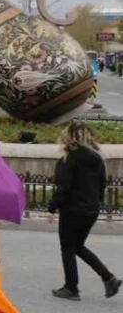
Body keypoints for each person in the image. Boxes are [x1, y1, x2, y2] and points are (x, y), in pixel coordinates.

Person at [48, 121, 120, 300]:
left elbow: (63, 187)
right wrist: (96, 202)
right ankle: (108, 278)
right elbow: (102, 184)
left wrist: (52, 208)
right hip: (91, 210)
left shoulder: (68, 159)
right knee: (77, 246)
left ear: (69, 138)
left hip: (72, 210)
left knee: (67, 247)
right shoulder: (97, 159)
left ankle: (71, 288)